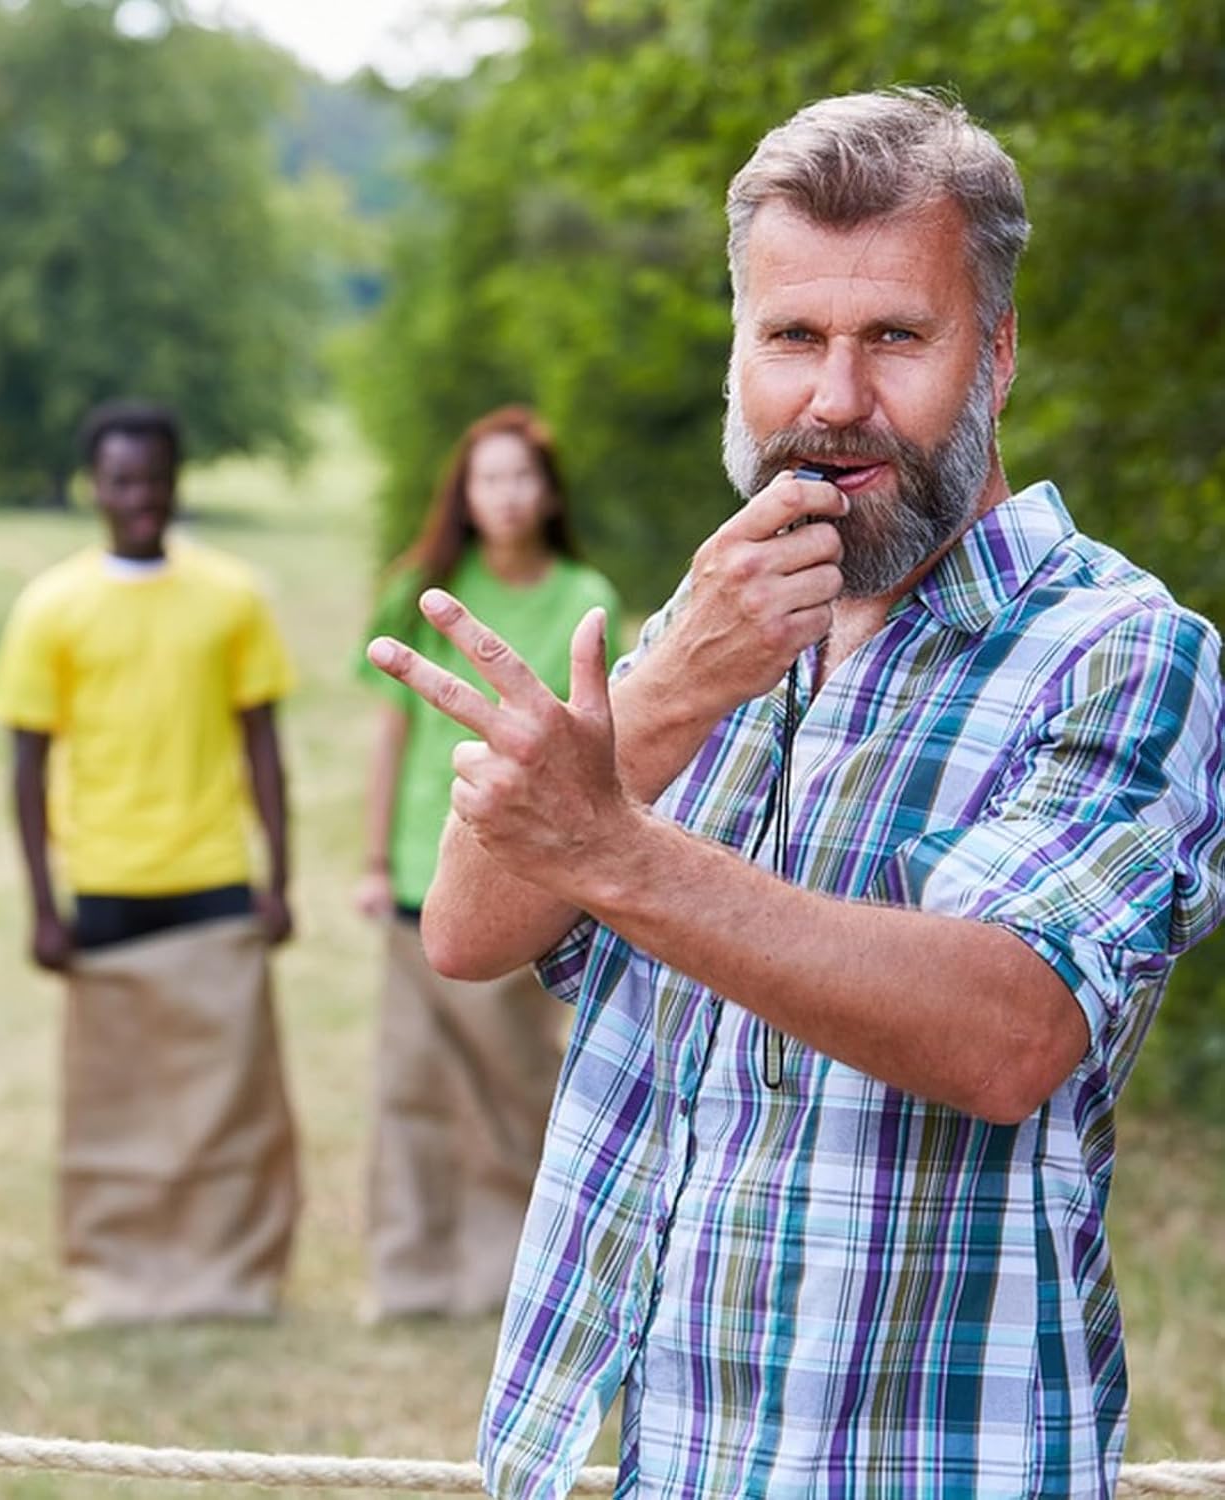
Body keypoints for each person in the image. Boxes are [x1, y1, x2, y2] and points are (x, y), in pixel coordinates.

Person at [367, 89, 1225, 1498]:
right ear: (737, 357)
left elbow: (1009, 1032)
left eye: (894, 335)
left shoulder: (1122, 652)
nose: (833, 400)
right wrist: (669, 691)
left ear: (996, 357)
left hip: (933, 1468)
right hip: (658, 1463)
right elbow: (468, 931)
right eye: (792, 338)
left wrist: (620, 849)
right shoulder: (713, 629)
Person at [0, 400, 299, 1326]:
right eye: (122, 481)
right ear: (96, 487)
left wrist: (279, 879)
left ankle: (230, 1276)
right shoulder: (50, 605)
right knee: (118, 1106)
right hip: (108, 886)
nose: (140, 498)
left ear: (176, 481)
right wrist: (43, 905)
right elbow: (27, 765)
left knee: (229, 1101)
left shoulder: (233, 595)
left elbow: (265, 748)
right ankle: (119, 1278)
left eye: (155, 480)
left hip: (212, 879)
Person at [354, 405, 620, 1321]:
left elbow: (598, 743)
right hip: (418, 870)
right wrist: (371, 859)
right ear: (463, 495)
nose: (506, 495)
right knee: (410, 1081)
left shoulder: (584, 593)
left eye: (521, 476)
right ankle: (409, 1275)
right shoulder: (422, 591)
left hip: (523, 871)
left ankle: (505, 1274)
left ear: (547, 492)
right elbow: (387, 738)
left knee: (513, 1080)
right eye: (487, 478)